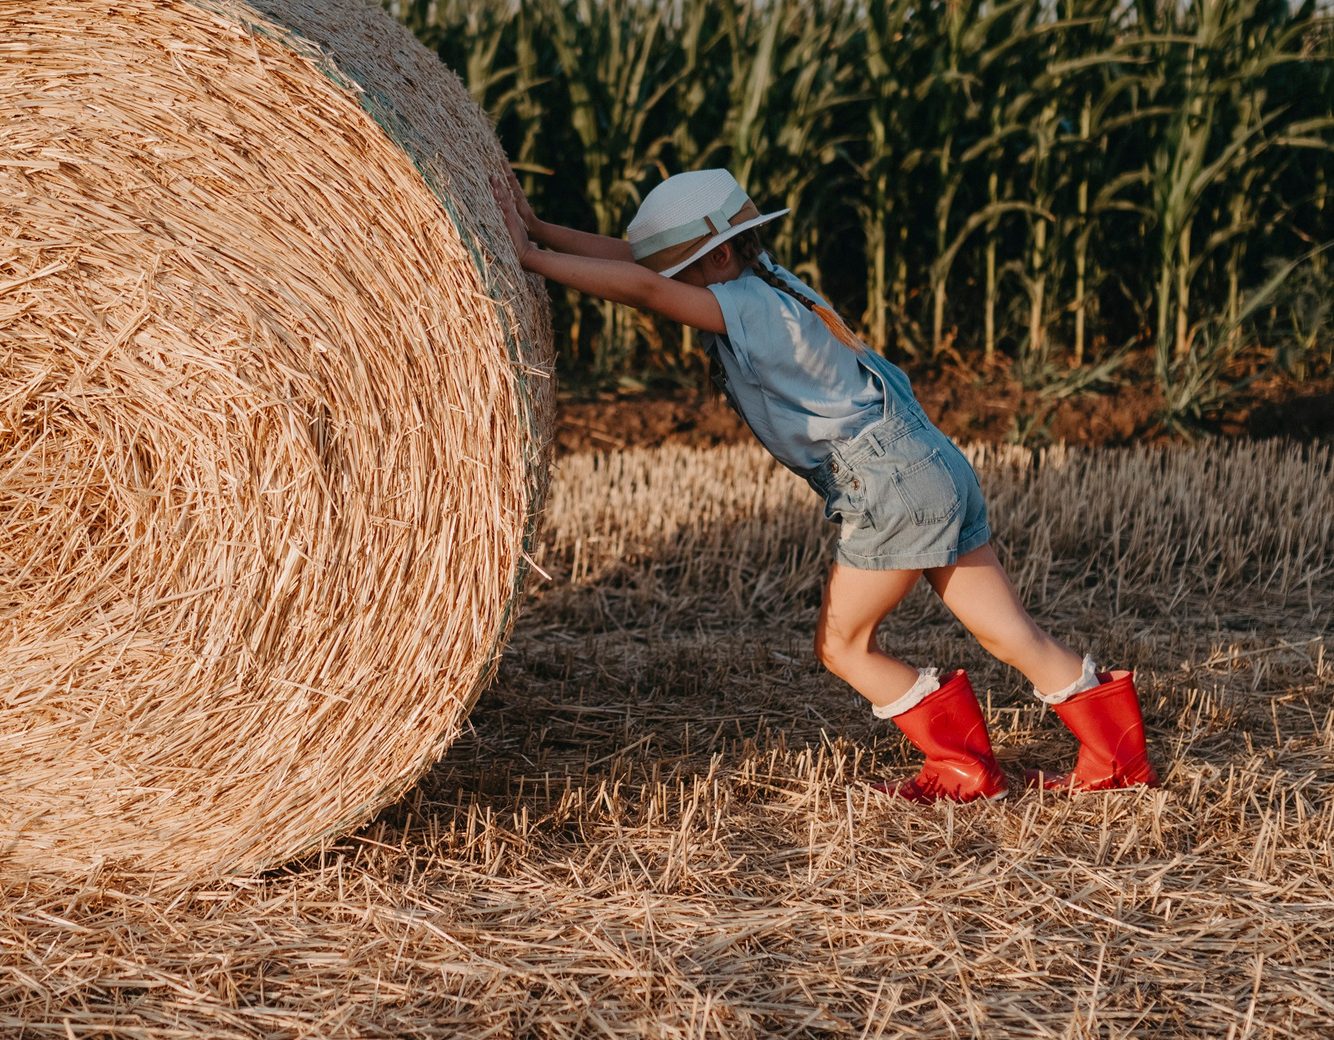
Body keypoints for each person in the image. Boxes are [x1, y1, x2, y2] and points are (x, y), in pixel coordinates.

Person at [492, 166, 1154, 801]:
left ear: (717, 257)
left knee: (842, 645)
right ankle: (1118, 758)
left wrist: (530, 258)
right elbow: (641, 266)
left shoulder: (749, 305)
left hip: (888, 482)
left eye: (682, 271)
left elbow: (645, 287)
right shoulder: (771, 279)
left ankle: (962, 766)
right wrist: (541, 231)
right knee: (1011, 632)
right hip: (929, 460)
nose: (674, 286)